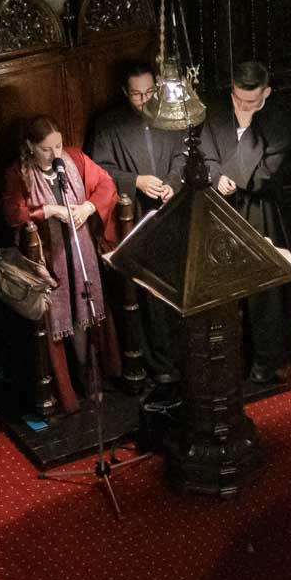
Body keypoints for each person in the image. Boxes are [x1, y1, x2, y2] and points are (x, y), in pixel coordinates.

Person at [0, 114, 119, 414]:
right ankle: (66, 390)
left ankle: (89, 374)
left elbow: (106, 184)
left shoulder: (74, 160)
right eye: (45, 149)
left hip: (81, 252)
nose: (55, 155)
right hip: (49, 260)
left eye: (58, 146)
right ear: (30, 146)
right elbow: (14, 212)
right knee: (57, 323)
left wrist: (89, 207)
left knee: (85, 314)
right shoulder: (19, 173)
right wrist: (48, 211)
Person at [89, 60, 191, 393]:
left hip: (171, 213)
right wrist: (136, 181)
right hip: (135, 221)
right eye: (137, 94)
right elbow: (100, 171)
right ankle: (159, 364)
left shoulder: (169, 115)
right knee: (148, 296)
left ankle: (183, 359)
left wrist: (172, 182)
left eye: (150, 92)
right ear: (125, 93)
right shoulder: (110, 126)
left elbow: (182, 155)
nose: (145, 100)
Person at [200, 61, 291, 386]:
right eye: (238, 99)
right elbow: (204, 153)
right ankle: (230, 357)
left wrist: (247, 127)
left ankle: (267, 360)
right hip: (222, 207)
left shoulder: (279, 119)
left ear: (266, 92)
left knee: (263, 288)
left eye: (251, 102)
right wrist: (216, 177)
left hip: (260, 210)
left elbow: (265, 174)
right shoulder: (215, 110)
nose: (242, 106)